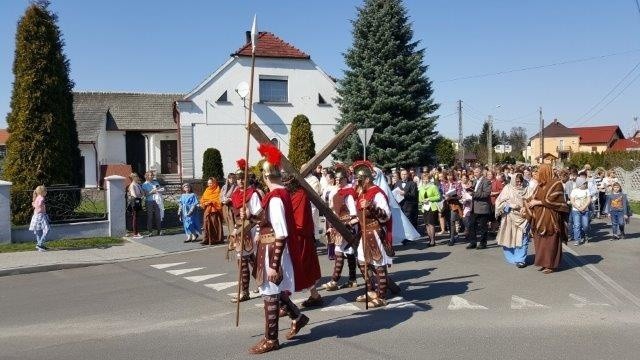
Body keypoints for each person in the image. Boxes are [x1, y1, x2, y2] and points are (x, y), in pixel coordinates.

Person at [248, 142, 307, 354]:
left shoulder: (275, 199)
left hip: (273, 252)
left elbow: (281, 233)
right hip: (269, 249)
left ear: (265, 178)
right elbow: (269, 223)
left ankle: (271, 339)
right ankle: (298, 317)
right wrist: (253, 218)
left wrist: (274, 266)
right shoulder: (278, 195)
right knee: (277, 292)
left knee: (270, 295)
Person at [353, 160, 393, 308]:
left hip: (375, 232)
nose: (358, 182)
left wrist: (371, 207)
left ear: (368, 179)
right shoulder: (362, 193)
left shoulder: (376, 193)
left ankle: (381, 296)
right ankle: (370, 291)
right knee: (362, 262)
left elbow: (386, 215)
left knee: (378, 263)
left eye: (360, 180)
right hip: (364, 233)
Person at [284, 173, 323, 308]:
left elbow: (298, 221)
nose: (285, 187)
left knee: (296, 268)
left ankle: (285, 304)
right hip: (292, 236)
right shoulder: (287, 195)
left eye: (286, 184)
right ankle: (315, 295)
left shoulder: (300, 195)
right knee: (293, 268)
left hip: (300, 237)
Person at [525, 164, 569, 274]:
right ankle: (543, 263)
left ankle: (551, 265)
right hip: (539, 218)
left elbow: (555, 200)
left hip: (550, 219)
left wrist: (538, 202)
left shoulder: (556, 183)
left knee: (550, 242)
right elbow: (533, 197)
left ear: (545, 172)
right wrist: (526, 202)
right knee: (540, 242)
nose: (538, 173)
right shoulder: (540, 185)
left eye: (540, 171)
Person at [322, 164, 359, 291]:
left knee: (342, 252)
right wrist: (332, 226)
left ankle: (335, 280)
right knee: (345, 253)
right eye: (336, 180)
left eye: (339, 180)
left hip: (347, 226)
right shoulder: (339, 191)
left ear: (344, 179)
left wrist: (348, 226)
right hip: (339, 225)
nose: (337, 182)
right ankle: (351, 279)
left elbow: (353, 213)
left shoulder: (348, 193)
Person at [229, 160, 261, 303]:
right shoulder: (235, 194)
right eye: (238, 179)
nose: (240, 181)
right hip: (239, 229)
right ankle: (263, 283)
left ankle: (245, 292)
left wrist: (249, 214)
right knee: (249, 260)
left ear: (248, 178)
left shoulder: (253, 194)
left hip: (250, 230)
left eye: (243, 178)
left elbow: (260, 216)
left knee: (243, 260)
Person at [495, 174, 530, 268]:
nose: (519, 183)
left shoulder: (527, 189)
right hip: (510, 217)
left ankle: (521, 259)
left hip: (523, 217)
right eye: (517, 181)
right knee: (509, 237)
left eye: (520, 181)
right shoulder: (507, 188)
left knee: (523, 238)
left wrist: (526, 208)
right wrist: (509, 205)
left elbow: (531, 201)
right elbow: (499, 202)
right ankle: (512, 257)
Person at [467, 166, 491, 249]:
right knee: (471, 225)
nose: (475, 174)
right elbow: (472, 190)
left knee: (483, 226)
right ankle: (473, 242)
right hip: (474, 206)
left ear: (481, 172)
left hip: (482, 207)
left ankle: (483, 243)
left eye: (476, 172)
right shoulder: (474, 181)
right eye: (474, 172)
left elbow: (486, 194)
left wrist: (473, 194)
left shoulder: (486, 181)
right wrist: (468, 189)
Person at [418, 173, 440, 247]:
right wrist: (422, 201)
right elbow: (420, 199)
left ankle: (433, 240)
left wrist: (429, 199)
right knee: (427, 224)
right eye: (424, 179)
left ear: (429, 179)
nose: (425, 180)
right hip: (424, 207)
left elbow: (438, 197)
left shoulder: (433, 186)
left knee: (431, 224)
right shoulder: (421, 188)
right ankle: (429, 239)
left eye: (426, 178)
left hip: (432, 207)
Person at [200, 177, 224, 245]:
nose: (209, 184)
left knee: (215, 225)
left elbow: (219, 200)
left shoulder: (218, 190)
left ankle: (216, 239)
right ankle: (206, 239)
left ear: (214, 183)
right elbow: (203, 199)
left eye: (211, 183)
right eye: (208, 183)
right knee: (206, 225)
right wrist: (204, 203)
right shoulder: (207, 190)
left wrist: (212, 202)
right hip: (207, 210)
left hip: (215, 210)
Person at [141, 171, 164, 236]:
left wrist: (161, 190)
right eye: (150, 175)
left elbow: (159, 189)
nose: (151, 176)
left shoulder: (155, 182)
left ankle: (159, 231)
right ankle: (150, 231)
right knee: (150, 216)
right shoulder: (145, 184)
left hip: (157, 201)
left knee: (158, 216)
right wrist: (152, 192)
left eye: (152, 175)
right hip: (149, 201)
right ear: (147, 176)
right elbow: (145, 194)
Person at [570, 177, 591, 246]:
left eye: (585, 183)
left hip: (585, 210)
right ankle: (577, 240)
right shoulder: (574, 191)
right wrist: (578, 208)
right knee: (577, 225)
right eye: (584, 183)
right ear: (579, 184)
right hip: (576, 211)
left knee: (585, 225)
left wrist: (584, 207)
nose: (585, 185)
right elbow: (572, 201)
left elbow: (589, 200)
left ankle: (586, 234)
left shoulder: (587, 190)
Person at [29, 185, 50, 252]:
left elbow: (34, 205)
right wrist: (40, 204)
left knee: (38, 231)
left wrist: (35, 204)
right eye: (45, 191)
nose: (46, 192)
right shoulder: (41, 198)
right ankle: (40, 244)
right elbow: (39, 205)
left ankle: (40, 247)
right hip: (41, 216)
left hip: (36, 216)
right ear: (42, 192)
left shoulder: (37, 197)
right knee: (47, 229)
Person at [220, 172, 237, 242]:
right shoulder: (224, 187)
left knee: (232, 222)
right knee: (227, 221)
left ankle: (234, 238)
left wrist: (229, 199)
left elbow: (235, 196)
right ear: (228, 179)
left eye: (233, 178)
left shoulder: (236, 187)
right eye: (230, 178)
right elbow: (221, 195)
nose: (231, 180)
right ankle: (231, 236)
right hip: (225, 206)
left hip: (231, 206)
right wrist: (223, 200)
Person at [127, 173, 144, 239]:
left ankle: (137, 232)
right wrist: (139, 195)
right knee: (135, 217)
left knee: (137, 217)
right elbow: (134, 195)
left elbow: (142, 193)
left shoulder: (137, 185)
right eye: (136, 176)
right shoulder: (132, 185)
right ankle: (135, 233)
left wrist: (140, 195)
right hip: (134, 202)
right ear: (133, 178)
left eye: (137, 176)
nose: (138, 177)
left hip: (138, 201)